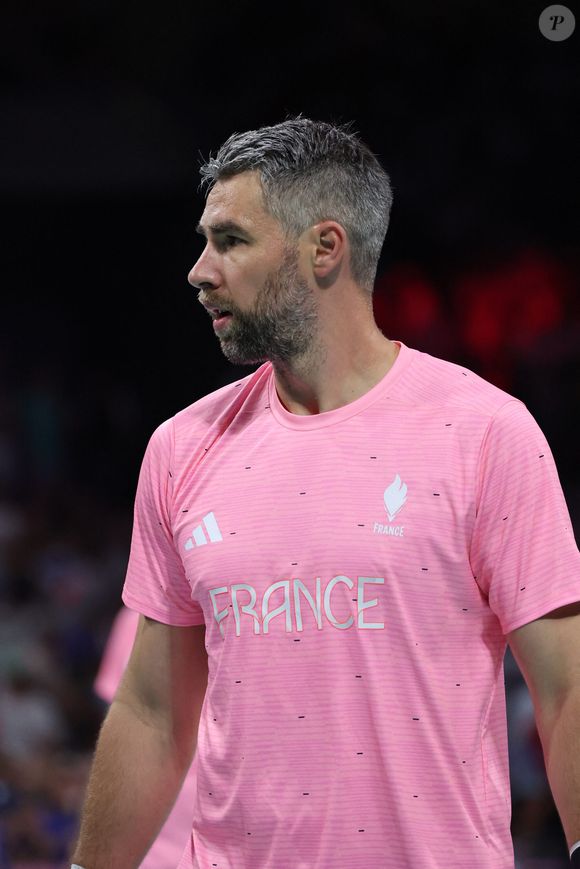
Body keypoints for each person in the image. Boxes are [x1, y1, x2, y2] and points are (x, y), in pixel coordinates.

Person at [70, 117, 580, 869]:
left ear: (324, 248)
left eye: (231, 240)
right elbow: (151, 712)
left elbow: (566, 687)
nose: (199, 269)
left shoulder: (484, 432)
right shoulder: (181, 448)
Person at [92, 606, 196, 868]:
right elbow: (123, 726)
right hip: (148, 846)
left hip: (235, 841)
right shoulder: (137, 617)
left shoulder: (263, 611)